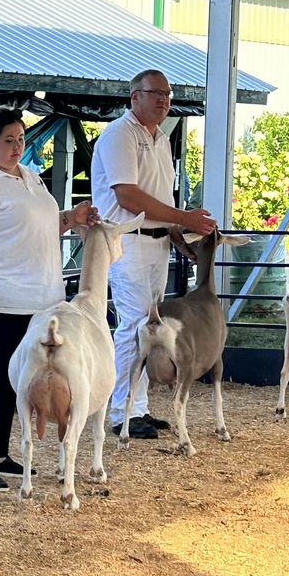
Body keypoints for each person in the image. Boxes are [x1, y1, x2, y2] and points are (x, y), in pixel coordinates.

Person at [0, 106, 98, 492]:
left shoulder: (29, 177)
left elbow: (43, 225)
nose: (16, 147)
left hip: (39, 301)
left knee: (17, 383)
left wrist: (72, 218)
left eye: (21, 139)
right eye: (8, 140)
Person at [90, 69, 217, 440]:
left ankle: (138, 407)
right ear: (134, 97)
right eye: (155, 93)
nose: (163, 100)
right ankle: (120, 412)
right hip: (127, 242)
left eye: (168, 94)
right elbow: (126, 195)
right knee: (134, 323)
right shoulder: (119, 135)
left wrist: (177, 234)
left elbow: (159, 197)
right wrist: (183, 218)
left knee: (150, 325)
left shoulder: (162, 139)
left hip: (157, 242)